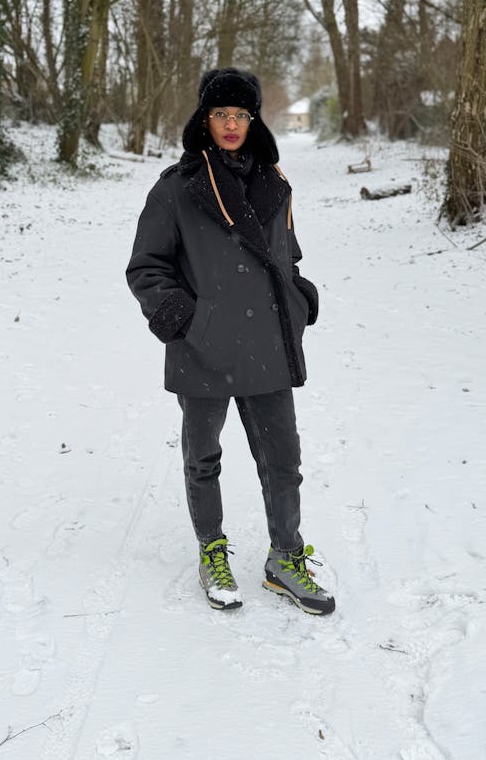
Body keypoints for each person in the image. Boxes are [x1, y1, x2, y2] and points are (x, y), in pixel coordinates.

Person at [126, 67, 335, 615]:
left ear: (253, 119)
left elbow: (286, 251)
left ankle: (285, 559)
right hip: (205, 346)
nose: (232, 124)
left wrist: (299, 295)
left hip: (266, 339)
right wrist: (188, 319)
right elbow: (146, 268)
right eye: (221, 113)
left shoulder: (275, 180)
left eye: (241, 114)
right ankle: (212, 550)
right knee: (204, 457)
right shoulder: (175, 188)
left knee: (283, 460)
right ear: (205, 118)